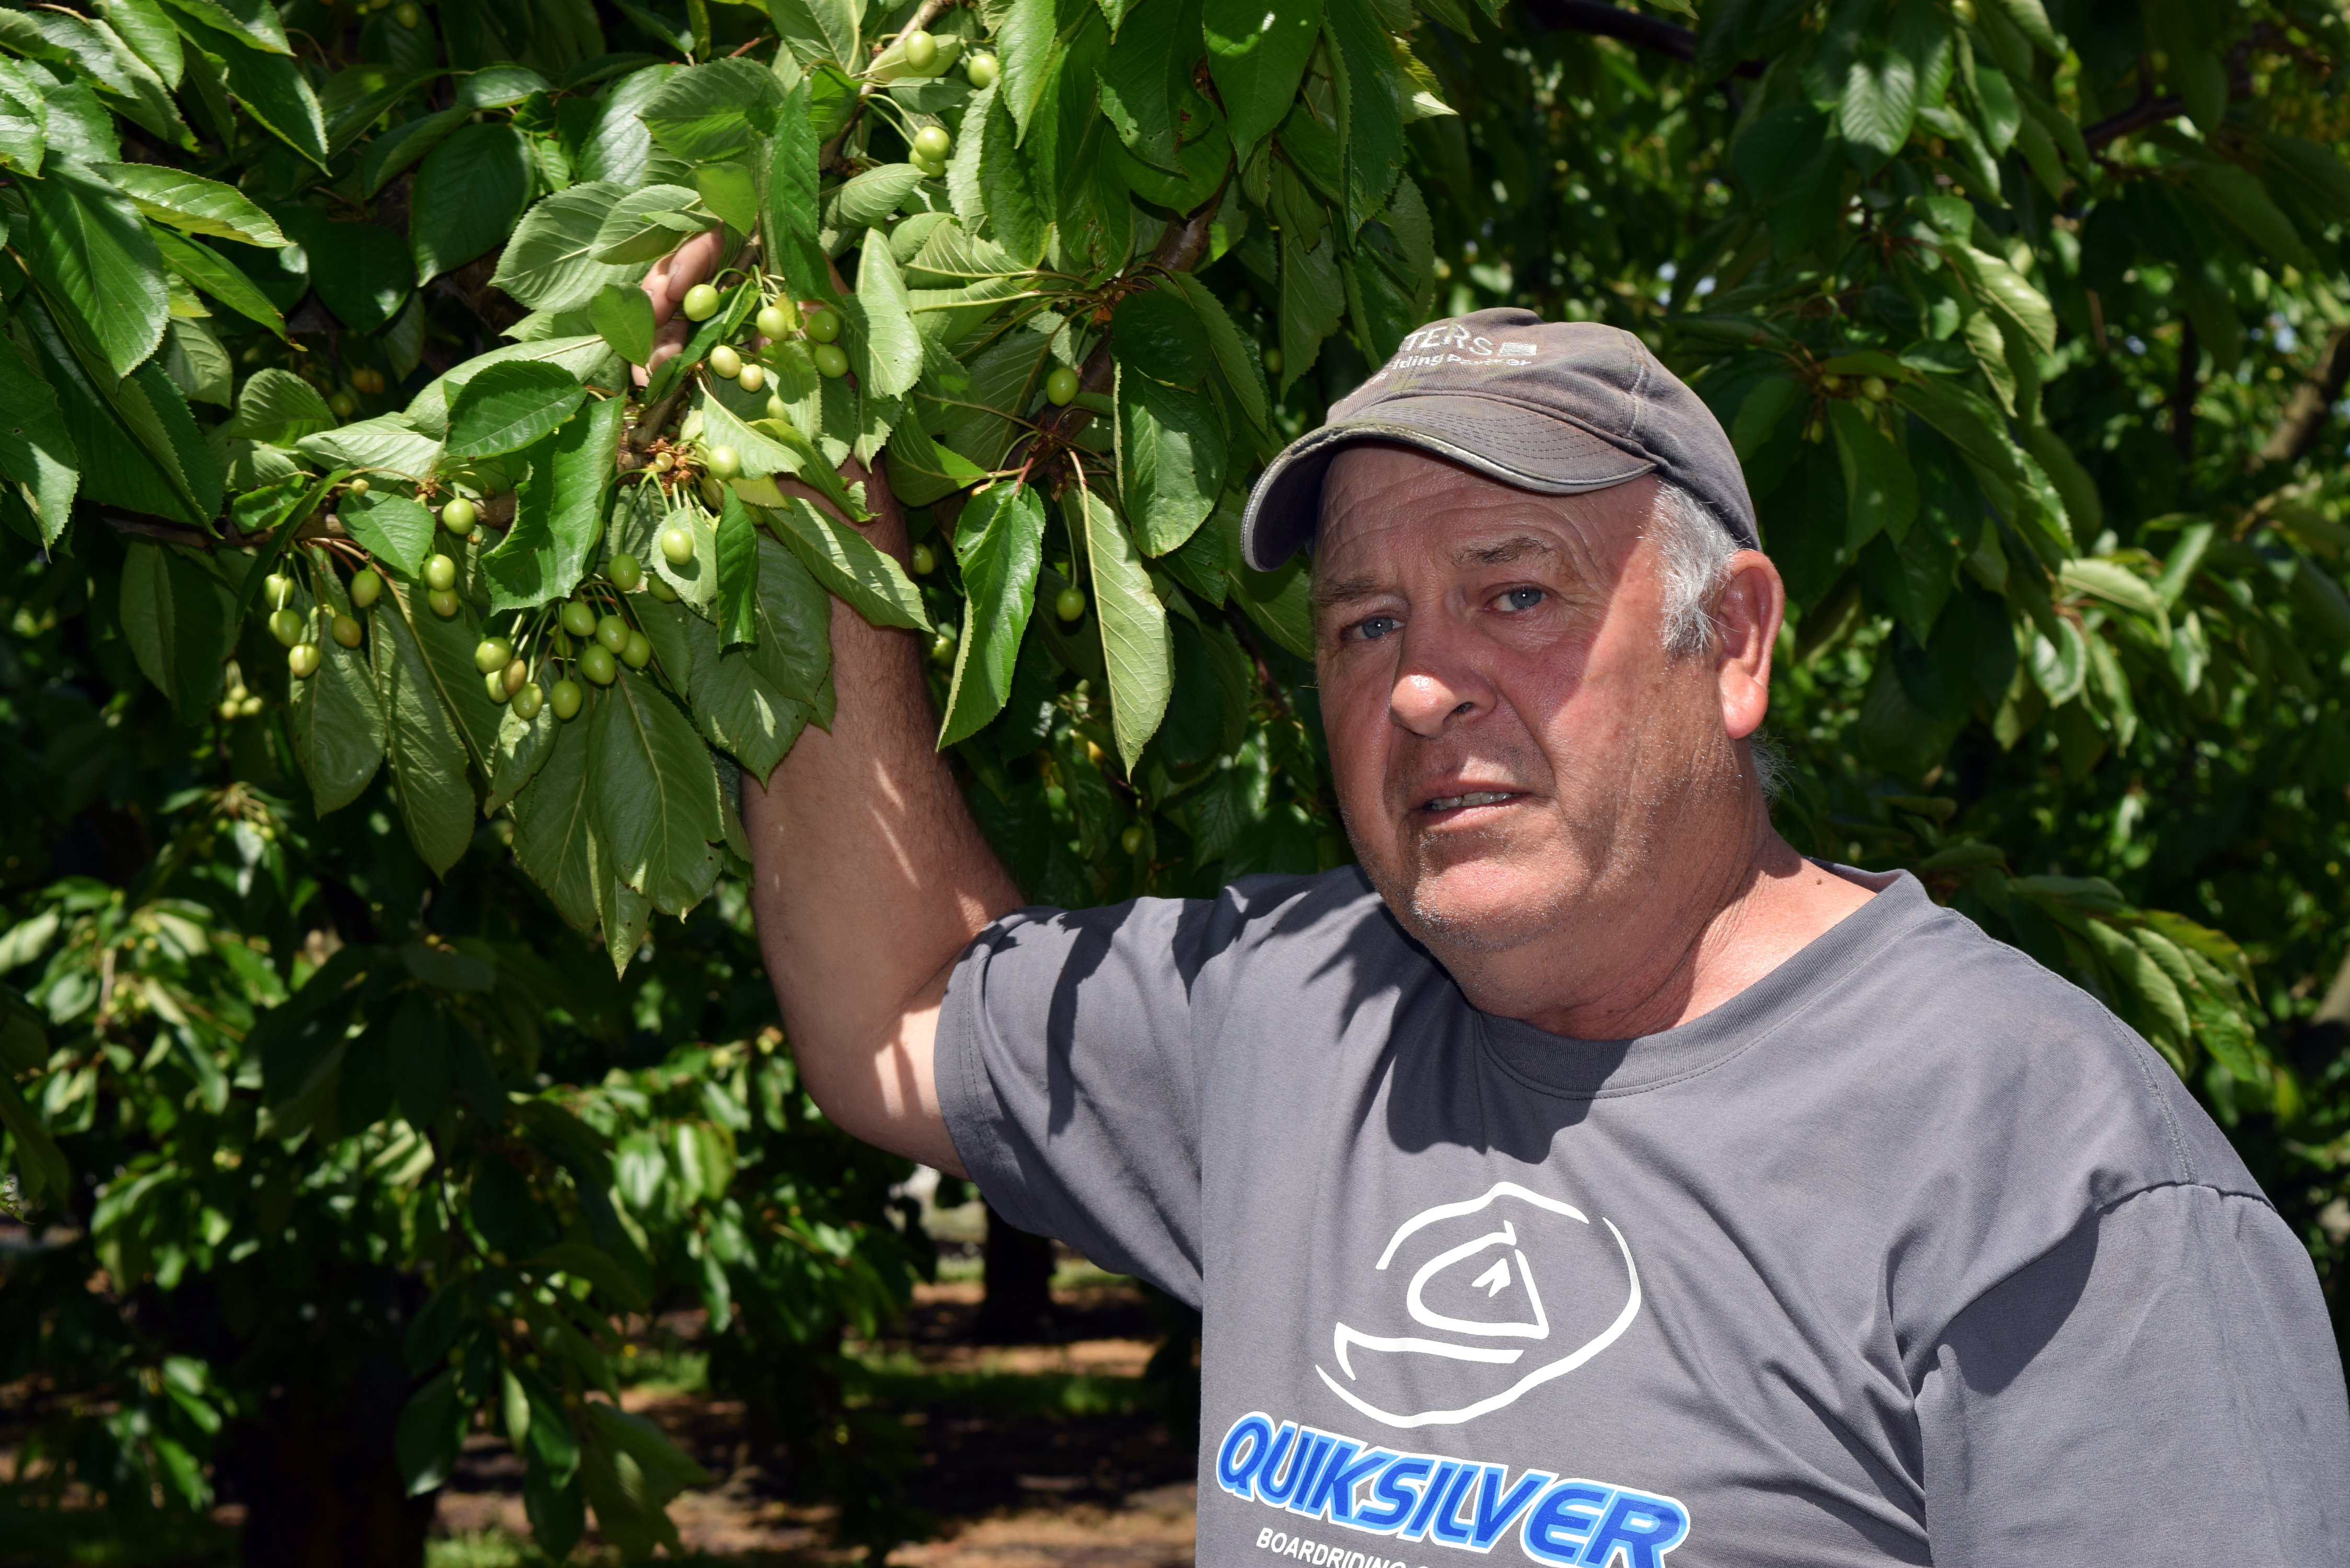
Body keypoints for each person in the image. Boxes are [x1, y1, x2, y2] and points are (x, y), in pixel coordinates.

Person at [741, 305, 2350, 1566]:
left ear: (1732, 641)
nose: (1422, 687)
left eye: (1514, 594)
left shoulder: (2047, 1171)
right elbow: (897, 1007)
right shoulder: (1293, 1017)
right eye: (1367, 624)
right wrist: (804, 473)